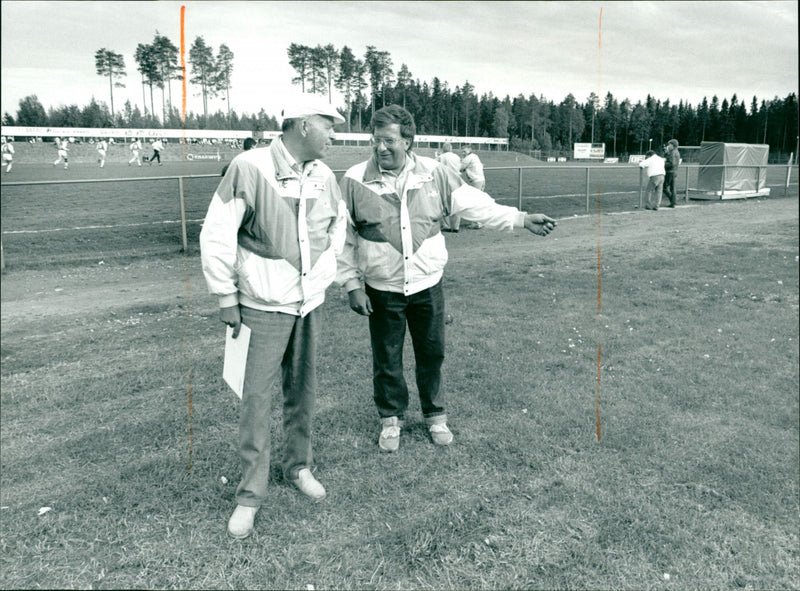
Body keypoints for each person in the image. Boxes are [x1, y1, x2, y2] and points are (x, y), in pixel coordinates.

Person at [337, 105, 556, 453]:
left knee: (432, 352)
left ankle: (435, 415)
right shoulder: (353, 180)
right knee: (387, 357)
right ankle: (390, 420)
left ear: (408, 141)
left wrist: (520, 218)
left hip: (427, 284)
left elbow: (475, 205)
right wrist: (350, 284)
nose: (381, 148)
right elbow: (342, 238)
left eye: (389, 140)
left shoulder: (435, 172)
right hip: (382, 289)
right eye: (376, 140)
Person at [199, 94, 346, 540]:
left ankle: (298, 467)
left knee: (302, 393)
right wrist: (225, 295)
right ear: (302, 125)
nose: (334, 133)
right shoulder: (249, 166)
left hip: (308, 305)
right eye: (328, 124)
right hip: (261, 308)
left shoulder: (324, 175)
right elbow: (217, 232)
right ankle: (249, 496)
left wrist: (325, 272)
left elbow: (337, 227)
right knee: (256, 403)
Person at [437, 143, 462, 232]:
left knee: (445, 202)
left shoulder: (442, 157)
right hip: (457, 180)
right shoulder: (456, 156)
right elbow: (460, 167)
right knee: (456, 203)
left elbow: (436, 167)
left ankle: (446, 225)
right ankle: (455, 226)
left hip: (446, 181)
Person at [460, 146, 486, 228]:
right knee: (478, 201)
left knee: (474, 202)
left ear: (469, 151)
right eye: (462, 151)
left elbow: (460, 168)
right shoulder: (475, 156)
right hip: (481, 180)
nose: (463, 153)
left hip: (476, 181)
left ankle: (476, 223)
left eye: (464, 151)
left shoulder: (469, 158)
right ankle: (480, 221)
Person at [664, 139, 681, 208]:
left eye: (669, 144)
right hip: (674, 171)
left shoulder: (673, 153)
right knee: (673, 188)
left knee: (664, 187)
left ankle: (673, 200)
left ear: (673, 145)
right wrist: (666, 153)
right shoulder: (676, 152)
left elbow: (671, 163)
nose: (668, 146)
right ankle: (674, 201)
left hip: (670, 172)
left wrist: (663, 164)